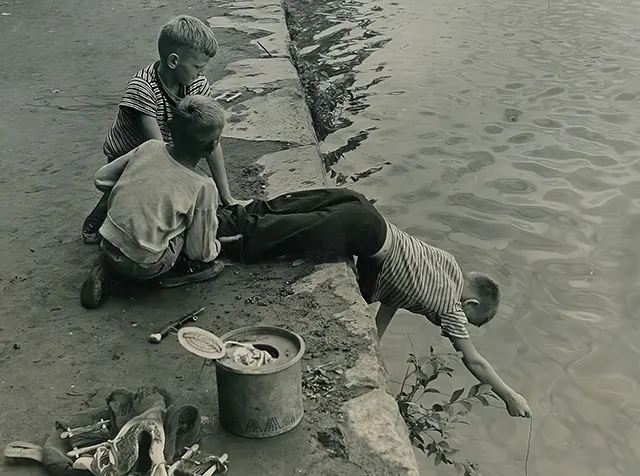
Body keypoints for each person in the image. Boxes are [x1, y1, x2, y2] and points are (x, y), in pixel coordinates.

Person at [81, 94, 531, 419]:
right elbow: (475, 361)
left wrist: (372, 339)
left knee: (291, 206)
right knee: (279, 235)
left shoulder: (448, 267)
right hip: (361, 233)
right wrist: (510, 395)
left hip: (367, 213)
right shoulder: (452, 310)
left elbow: (399, 293)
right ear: (469, 307)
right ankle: (224, 228)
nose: (458, 327)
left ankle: (231, 214)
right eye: (469, 322)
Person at [81, 15, 249, 245]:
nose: (202, 73)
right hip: (131, 154)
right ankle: (103, 211)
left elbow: (210, 138)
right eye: (198, 67)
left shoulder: (197, 85)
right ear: (173, 61)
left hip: (167, 147)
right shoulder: (143, 88)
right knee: (142, 189)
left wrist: (225, 195)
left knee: (175, 184)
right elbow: (157, 153)